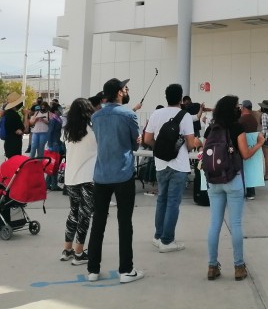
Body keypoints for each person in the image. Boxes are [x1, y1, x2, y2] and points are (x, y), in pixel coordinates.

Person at [86, 77, 144, 284]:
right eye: (125, 88)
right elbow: (135, 145)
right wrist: (135, 140)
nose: (127, 90)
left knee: (98, 222)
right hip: (123, 173)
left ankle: (93, 269)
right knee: (124, 223)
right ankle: (126, 270)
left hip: (101, 174)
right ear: (119, 93)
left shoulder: (97, 116)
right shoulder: (129, 114)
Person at [205, 95, 265, 282]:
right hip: (233, 179)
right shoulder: (236, 127)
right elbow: (245, 154)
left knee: (215, 224)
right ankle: (239, 267)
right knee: (236, 224)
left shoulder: (211, 129)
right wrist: (259, 143)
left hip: (214, 181)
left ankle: (212, 266)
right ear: (232, 110)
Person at [143, 83, 200, 253]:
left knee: (162, 200)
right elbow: (190, 145)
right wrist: (197, 142)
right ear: (181, 99)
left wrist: (159, 149)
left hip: (161, 163)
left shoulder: (156, 114)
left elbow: (147, 139)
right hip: (179, 164)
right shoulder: (186, 116)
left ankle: (158, 236)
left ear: (166, 97)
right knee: (173, 202)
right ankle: (167, 241)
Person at [61, 98, 97, 265]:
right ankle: (79, 252)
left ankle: (67, 249)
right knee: (85, 215)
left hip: (71, 177)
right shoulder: (92, 130)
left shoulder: (66, 132)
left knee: (73, 213)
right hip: (88, 178)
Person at [238, 100, 262, 199]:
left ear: (243, 108)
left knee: (243, 169)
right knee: (251, 169)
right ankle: (251, 192)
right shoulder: (253, 118)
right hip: (253, 145)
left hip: (244, 145)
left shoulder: (242, 120)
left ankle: (243, 190)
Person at [46, 104, 64, 191]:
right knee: (54, 165)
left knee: (52, 165)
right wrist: (50, 144)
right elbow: (49, 132)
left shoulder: (58, 119)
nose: (61, 110)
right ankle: (54, 185)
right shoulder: (53, 120)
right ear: (56, 110)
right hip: (54, 144)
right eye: (59, 109)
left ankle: (47, 183)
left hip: (57, 143)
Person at [1, 94, 25, 159]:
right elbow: (23, 129)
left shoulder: (7, 114)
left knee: (10, 161)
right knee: (15, 162)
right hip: (14, 143)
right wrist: (26, 115)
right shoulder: (14, 115)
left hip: (8, 142)